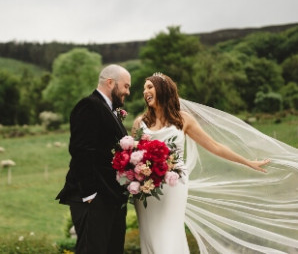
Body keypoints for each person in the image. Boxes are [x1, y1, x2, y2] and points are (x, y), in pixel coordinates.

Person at [132, 73, 298, 254]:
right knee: (150, 234)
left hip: (174, 185)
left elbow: (214, 146)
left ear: (163, 90)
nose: (145, 91)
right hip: (146, 188)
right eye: (144, 88)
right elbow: (132, 156)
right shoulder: (140, 122)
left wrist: (247, 162)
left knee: (169, 232)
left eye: (149, 87)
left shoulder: (183, 119)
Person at [56, 64, 131, 254]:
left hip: (111, 197)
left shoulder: (109, 110)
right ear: (110, 82)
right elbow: (81, 150)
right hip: (93, 198)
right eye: (126, 86)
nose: (128, 92)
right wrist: (90, 195)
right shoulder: (89, 106)